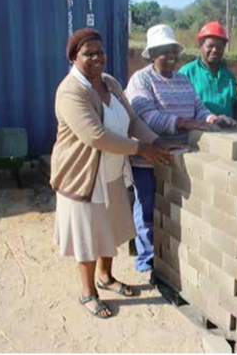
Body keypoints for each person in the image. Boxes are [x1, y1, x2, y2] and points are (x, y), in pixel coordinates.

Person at [50, 28, 172, 319]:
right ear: (74, 57)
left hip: (113, 171)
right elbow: (95, 136)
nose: (96, 58)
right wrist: (140, 148)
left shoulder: (110, 83)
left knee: (111, 229)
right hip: (82, 176)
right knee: (87, 237)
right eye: (88, 53)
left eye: (99, 52)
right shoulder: (71, 91)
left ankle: (106, 277)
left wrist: (154, 141)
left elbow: (131, 120)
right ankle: (87, 292)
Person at [125, 24, 236, 273]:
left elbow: (198, 108)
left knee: (173, 210)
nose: (171, 57)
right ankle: (146, 262)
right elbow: (146, 116)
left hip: (180, 157)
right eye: (164, 51)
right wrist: (184, 122)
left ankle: (169, 259)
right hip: (148, 157)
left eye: (174, 51)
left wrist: (212, 119)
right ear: (152, 54)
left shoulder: (182, 79)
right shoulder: (141, 79)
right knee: (146, 209)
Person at [178, 21, 237, 117]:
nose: (215, 50)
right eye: (210, 46)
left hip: (228, 130)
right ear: (200, 45)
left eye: (219, 47)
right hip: (196, 131)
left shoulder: (229, 76)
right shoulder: (186, 73)